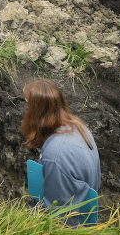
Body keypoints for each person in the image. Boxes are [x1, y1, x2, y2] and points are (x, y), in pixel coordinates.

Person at [20, 78, 100, 226]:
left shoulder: (55, 155)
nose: (26, 111)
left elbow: (56, 217)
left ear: (36, 111)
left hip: (71, 224)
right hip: (84, 213)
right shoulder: (78, 126)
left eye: (27, 105)